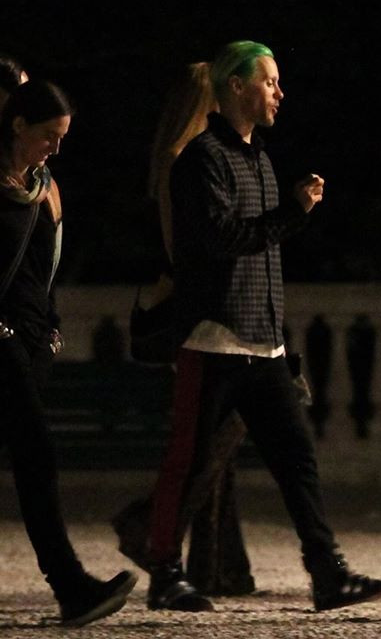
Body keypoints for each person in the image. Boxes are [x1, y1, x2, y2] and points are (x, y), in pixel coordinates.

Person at [146, 40, 381, 613]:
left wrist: (279, 335)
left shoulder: (258, 157)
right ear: (236, 86)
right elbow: (223, 241)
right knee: (188, 463)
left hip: (262, 346)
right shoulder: (202, 159)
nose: (280, 93)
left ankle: (328, 572)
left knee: (297, 460)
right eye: (270, 82)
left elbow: (259, 249)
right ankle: (164, 573)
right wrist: (292, 213)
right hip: (212, 340)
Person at [113, 62, 255, 599]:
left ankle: (222, 565)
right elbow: (184, 252)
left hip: (200, 308)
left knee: (218, 432)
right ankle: (151, 525)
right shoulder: (185, 160)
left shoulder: (192, 157)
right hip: (197, 312)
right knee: (220, 429)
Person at [0, 79, 137, 627]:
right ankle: (70, 585)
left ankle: (71, 587)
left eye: (62, 137)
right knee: (37, 456)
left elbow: (45, 268)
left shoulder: (43, 186)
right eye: (49, 136)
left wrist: (51, 331)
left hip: (33, 339)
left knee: (31, 458)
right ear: (17, 125)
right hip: (1, 339)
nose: (56, 148)